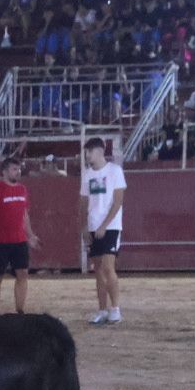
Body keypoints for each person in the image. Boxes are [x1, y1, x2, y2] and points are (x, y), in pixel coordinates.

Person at [0, 156, 41, 315]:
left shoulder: (22, 189)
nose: (18, 172)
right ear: (5, 171)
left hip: (19, 239)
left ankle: (20, 310)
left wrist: (30, 235)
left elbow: (25, 214)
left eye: (19, 169)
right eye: (14, 169)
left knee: (22, 273)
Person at [79, 138, 125, 325]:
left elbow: (118, 201)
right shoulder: (87, 175)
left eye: (89, 151)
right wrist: (84, 227)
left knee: (107, 267)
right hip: (92, 225)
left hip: (111, 226)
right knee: (98, 270)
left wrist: (104, 225)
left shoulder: (115, 171)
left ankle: (115, 308)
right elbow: (83, 203)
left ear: (99, 151)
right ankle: (102, 309)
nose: (87, 155)